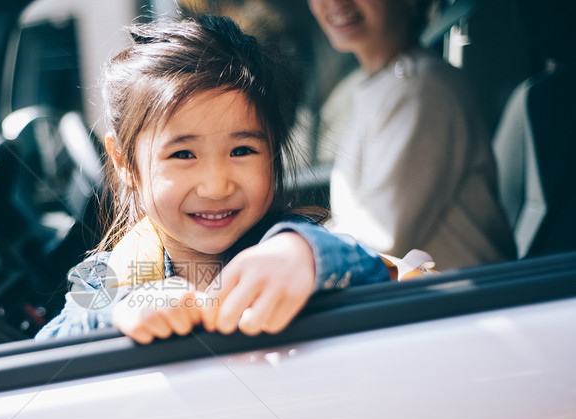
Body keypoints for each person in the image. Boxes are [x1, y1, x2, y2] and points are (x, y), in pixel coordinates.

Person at [36, 15, 391, 344]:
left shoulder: (283, 242)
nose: (217, 186)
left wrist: (306, 256)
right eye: (183, 155)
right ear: (124, 161)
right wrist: (121, 311)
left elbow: (369, 267)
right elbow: (51, 343)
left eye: (242, 151)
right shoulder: (109, 275)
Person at [307, 0, 516, 269]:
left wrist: (298, 249)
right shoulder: (387, 84)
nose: (334, 2)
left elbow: (377, 238)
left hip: (467, 303)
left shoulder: (421, 91)